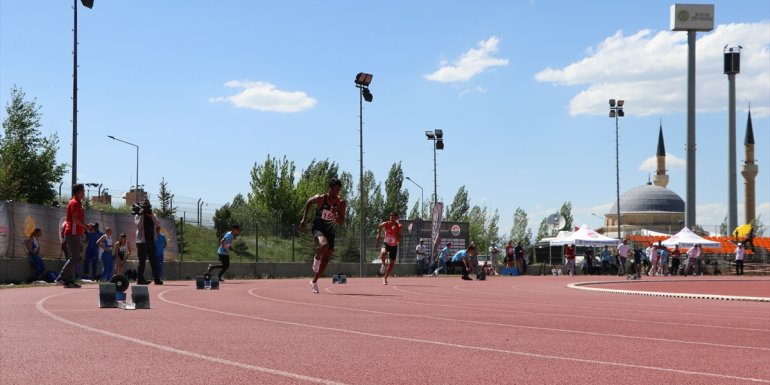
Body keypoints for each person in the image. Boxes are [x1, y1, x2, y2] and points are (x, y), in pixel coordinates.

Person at [300, 178, 346, 294]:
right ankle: (316, 258)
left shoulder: (341, 203)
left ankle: (314, 281)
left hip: (331, 232)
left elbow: (341, 222)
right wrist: (304, 219)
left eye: (338, 190)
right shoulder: (321, 199)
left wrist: (336, 217)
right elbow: (309, 202)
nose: (335, 192)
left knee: (326, 260)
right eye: (333, 189)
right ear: (329, 188)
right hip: (318, 229)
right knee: (324, 245)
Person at [55, 184, 93, 288]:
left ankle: (69, 280)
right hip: (72, 233)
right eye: (83, 191)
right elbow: (75, 219)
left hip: (75, 233)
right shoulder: (75, 203)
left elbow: (77, 220)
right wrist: (85, 227)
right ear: (78, 192)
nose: (84, 193)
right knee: (75, 257)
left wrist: (85, 227)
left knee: (75, 257)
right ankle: (61, 277)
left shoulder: (77, 203)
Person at [135, 200, 162, 285]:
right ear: (142, 208)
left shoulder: (153, 214)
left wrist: (152, 215)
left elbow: (158, 224)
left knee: (154, 261)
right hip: (142, 242)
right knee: (142, 261)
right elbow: (139, 226)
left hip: (151, 241)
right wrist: (142, 215)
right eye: (144, 207)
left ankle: (156, 279)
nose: (146, 209)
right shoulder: (137, 215)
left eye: (147, 207)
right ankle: (140, 279)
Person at [376, 212, 402, 285]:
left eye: (394, 217)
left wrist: (395, 233)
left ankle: (385, 278)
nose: (392, 218)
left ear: (397, 218)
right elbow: (380, 226)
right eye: (391, 217)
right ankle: (383, 265)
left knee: (391, 264)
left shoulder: (399, 226)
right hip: (386, 243)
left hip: (394, 246)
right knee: (383, 252)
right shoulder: (386, 223)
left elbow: (399, 239)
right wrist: (378, 234)